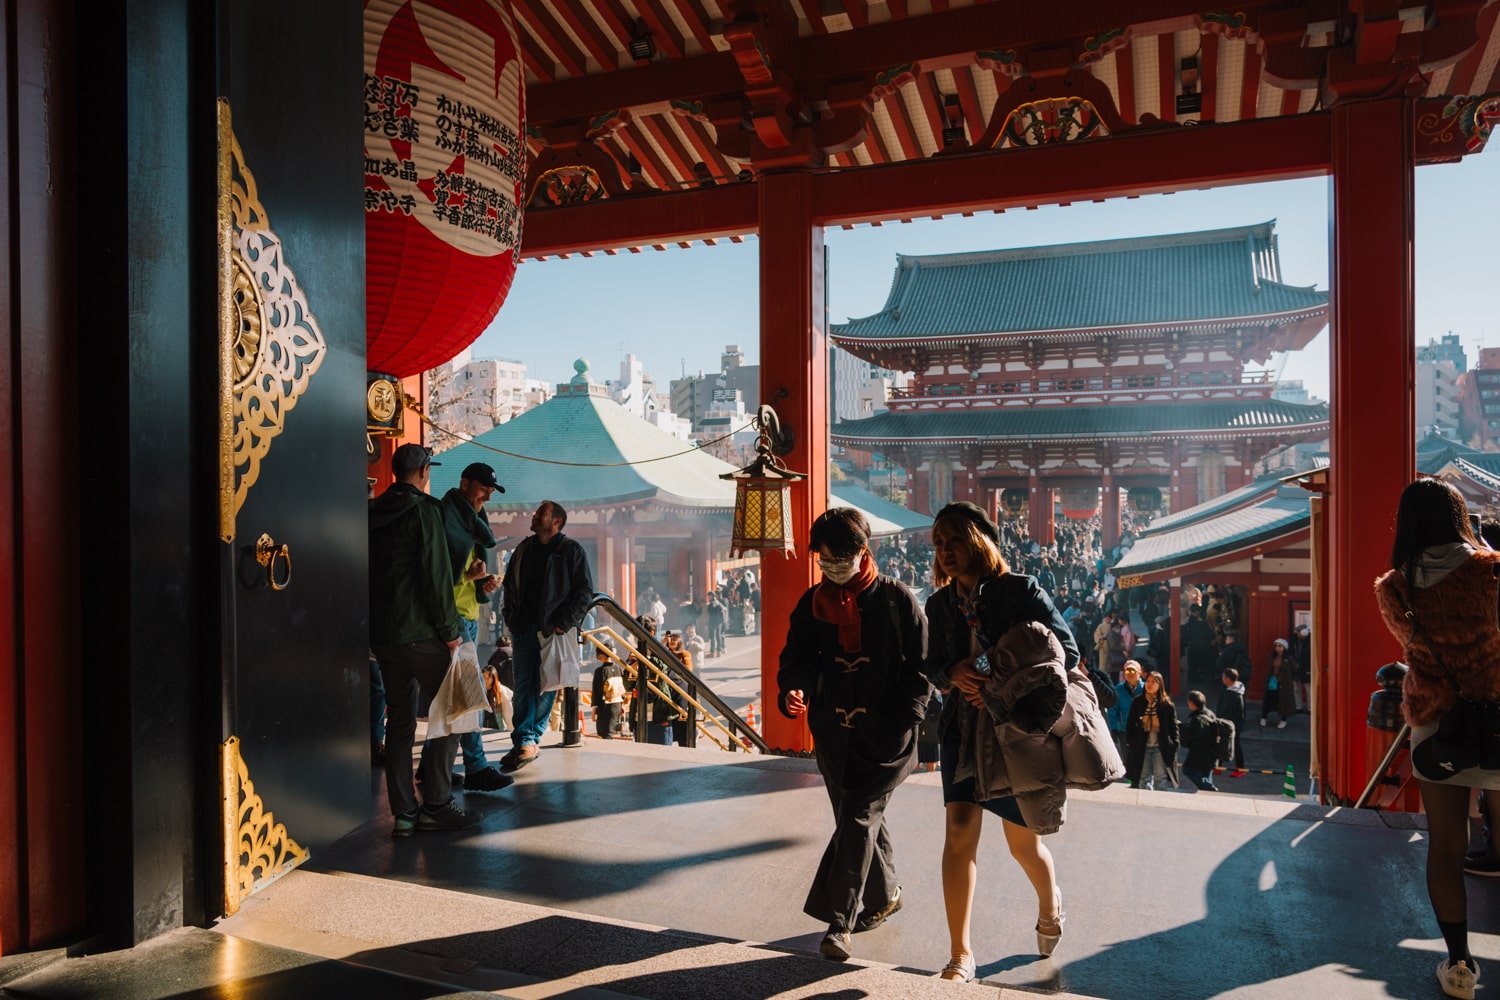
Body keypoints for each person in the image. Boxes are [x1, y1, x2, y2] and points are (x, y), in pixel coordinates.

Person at [923, 501, 1076, 982]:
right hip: (961, 733)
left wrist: (988, 670)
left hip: (1012, 734)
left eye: (954, 540)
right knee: (959, 836)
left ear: (979, 539)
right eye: (938, 544)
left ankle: (1050, 904)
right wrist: (951, 672)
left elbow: (1067, 650)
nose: (945, 551)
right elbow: (928, 664)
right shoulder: (938, 604)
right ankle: (960, 955)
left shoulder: (1020, 591)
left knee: (1021, 844)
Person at [778, 508, 930, 963]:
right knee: (859, 821)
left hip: (886, 738)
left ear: (864, 551)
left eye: (839, 559)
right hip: (834, 736)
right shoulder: (811, 603)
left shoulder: (897, 601)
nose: (832, 568)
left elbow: (922, 669)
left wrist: (905, 719)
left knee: (858, 819)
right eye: (823, 560)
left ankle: (839, 923)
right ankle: (886, 897)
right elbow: (796, 659)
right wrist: (794, 690)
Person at [1375, 478, 1500, 1000]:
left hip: (1437, 724)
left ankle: (1459, 967)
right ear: (1459, 516)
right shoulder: (1493, 571)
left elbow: (1410, 646)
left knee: (1448, 847)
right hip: (1499, 717)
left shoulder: (1395, 587)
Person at [368, 444, 478, 836]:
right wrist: (451, 634)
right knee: (457, 711)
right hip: (423, 635)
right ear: (425, 471)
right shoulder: (425, 511)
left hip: (384, 637)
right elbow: (435, 577)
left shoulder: (371, 511)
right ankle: (436, 802)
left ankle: (404, 813)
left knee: (398, 723)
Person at [418, 462, 512, 793]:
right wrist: (467, 578)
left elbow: (465, 573)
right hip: (452, 617)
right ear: (464, 483)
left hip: (467, 613)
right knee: (467, 695)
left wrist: (481, 586)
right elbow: (435, 571)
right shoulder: (445, 517)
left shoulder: (472, 520)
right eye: (482, 488)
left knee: (452, 696)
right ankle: (476, 766)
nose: (486, 495)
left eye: (490, 492)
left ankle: (429, 769)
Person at [500, 501, 595, 773]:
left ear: (557, 522)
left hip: (552, 629)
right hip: (522, 627)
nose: (535, 515)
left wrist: (564, 623)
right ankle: (523, 741)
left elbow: (584, 591)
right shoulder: (523, 549)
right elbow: (509, 585)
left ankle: (529, 740)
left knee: (546, 684)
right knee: (522, 686)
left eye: (542, 512)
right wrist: (509, 614)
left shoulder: (570, 551)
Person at [1125, 671, 1178, 791]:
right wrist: (1130, 741)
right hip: (1142, 746)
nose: (1149, 684)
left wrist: (1174, 744)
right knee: (1143, 779)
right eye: (1148, 681)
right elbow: (1130, 723)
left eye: (1153, 682)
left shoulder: (1167, 705)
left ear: (1160, 685)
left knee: (1161, 779)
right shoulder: (1138, 702)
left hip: (1160, 746)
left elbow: (1173, 727)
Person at [1179, 690, 1220, 791]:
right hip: (1212, 753)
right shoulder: (1209, 713)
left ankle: (1209, 788)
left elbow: (1193, 735)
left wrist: (1180, 727)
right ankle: (1208, 788)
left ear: (1192, 703)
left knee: (1188, 770)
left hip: (1199, 754)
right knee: (1206, 776)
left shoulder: (1197, 718)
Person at [1107, 661, 1145, 756]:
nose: (1130, 674)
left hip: (1144, 729)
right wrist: (1114, 728)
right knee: (1128, 760)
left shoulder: (1146, 688)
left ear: (1140, 672)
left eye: (1133, 671)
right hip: (1125, 730)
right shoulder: (1119, 689)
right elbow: (1112, 710)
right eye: (1127, 671)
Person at [590, 646, 626, 739]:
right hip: (617, 704)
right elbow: (621, 688)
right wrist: (622, 705)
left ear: (601, 655)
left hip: (605, 706)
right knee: (612, 731)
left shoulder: (600, 671)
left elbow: (597, 692)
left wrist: (594, 710)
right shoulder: (618, 668)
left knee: (605, 733)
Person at [1217, 667, 1248, 777]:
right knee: (1222, 743)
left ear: (1228, 679)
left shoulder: (1232, 694)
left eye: (1223, 677)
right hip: (1234, 723)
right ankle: (1218, 766)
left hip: (1231, 724)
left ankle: (1241, 768)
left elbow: (1226, 711)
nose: (1222, 678)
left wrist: (1218, 719)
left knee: (1232, 745)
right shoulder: (1237, 690)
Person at [1181, 606, 1216, 690]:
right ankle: (1199, 678)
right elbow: (1209, 633)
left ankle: (1193, 678)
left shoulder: (1189, 622)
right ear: (1197, 612)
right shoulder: (1200, 622)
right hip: (1201, 645)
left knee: (1193, 663)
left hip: (1193, 645)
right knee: (1200, 662)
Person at [704, 591, 728, 656]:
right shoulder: (718, 602)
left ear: (711, 596)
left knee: (713, 637)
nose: (708, 597)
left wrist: (706, 623)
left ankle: (712, 652)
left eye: (708, 596)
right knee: (718, 636)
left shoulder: (711, 604)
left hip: (712, 622)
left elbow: (708, 614)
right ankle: (719, 651)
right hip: (719, 622)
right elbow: (725, 609)